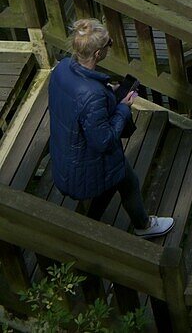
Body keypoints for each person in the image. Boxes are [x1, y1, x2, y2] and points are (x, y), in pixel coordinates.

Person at [48, 19, 174, 237]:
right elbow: (104, 140)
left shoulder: (61, 70)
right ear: (97, 54)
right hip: (86, 166)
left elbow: (77, 108)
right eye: (108, 44)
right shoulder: (92, 94)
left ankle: (90, 226)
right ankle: (143, 226)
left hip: (66, 159)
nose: (111, 45)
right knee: (127, 181)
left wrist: (108, 92)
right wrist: (123, 108)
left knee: (115, 185)